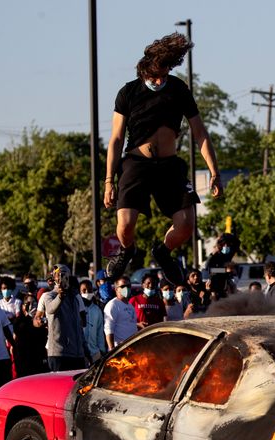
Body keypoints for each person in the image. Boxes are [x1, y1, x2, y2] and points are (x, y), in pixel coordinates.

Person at [103, 33, 223, 285]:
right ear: (145, 70)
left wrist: (214, 171)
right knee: (125, 224)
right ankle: (127, 251)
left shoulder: (178, 89)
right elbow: (115, 139)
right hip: (136, 164)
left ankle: (163, 252)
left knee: (187, 224)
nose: (159, 81)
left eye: (164, 76)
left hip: (169, 167)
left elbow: (199, 132)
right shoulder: (128, 92)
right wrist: (109, 181)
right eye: (154, 76)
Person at [34, 265, 88, 372]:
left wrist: (85, 350)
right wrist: (60, 297)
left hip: (77, 354)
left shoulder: (75, 297)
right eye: (57, 275)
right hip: (59, 353)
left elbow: (82, 323)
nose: (60, 278)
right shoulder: (48, 296)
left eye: (63, 275)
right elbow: (50, 309)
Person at [11, 292, 48, 377]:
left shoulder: (41, 321)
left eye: (34, 303)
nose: (31, 306)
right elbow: (19, 330)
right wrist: (28, 316)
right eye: (28, 304)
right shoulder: (19, 320)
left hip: (38, 360)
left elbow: (43, 336)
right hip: (23, 361)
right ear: (23, 306)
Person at [104, 276, 137, 350]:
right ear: (116, 289)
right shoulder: (113, 305)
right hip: (120, 350)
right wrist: (112, 351)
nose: (126, 288)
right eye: (123, 286)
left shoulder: (130, 306)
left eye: (128, 286)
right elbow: (108, 330)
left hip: (132, 349)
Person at [204, 233, 239, 300]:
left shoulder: (228, 254)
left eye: (228, 244)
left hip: (225, 284)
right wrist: (225, 270)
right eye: (224, 244)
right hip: (215, 285)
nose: (226, 246)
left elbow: (237, 243)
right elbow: (208, 269)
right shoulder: (215, 255)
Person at [79, 279, 107, 362]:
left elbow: (100, 331)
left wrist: (102, 350)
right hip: (80, 354)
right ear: (80, 292)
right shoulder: (76, 309)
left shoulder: (97, 310)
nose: (87, 292)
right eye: (84, 290)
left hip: (95, 353)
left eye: (89, 290)